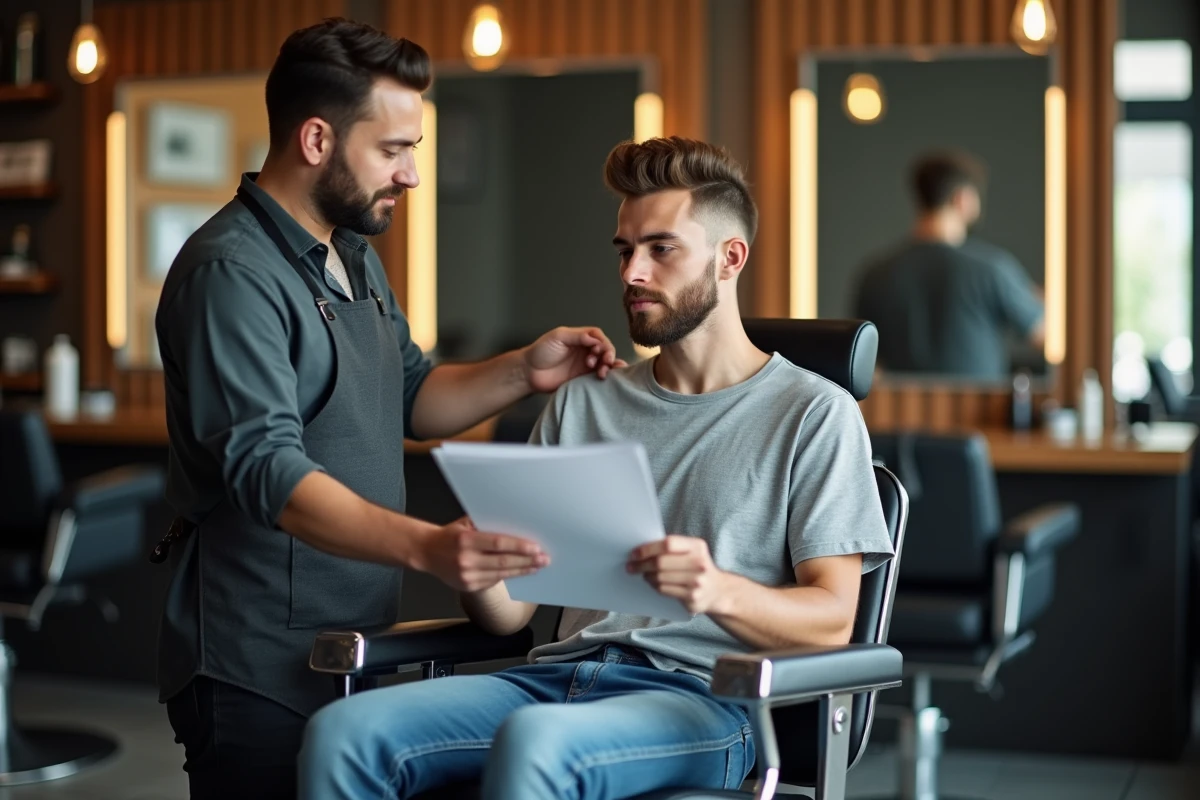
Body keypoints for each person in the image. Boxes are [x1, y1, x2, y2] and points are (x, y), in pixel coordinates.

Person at [298, 136, 895, 800]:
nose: (632, 272)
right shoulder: (585, 401)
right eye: (625, 250)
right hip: (555, 677)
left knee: (536, 742)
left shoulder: (815, 414)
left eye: (660, 249)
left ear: (730, 259)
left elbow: (833, 620)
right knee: (344, 732)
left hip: (701, 701)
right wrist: (482, 565)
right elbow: (511, 619)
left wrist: (716, 590)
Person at [153, 19, 623, 800]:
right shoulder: (229, 274)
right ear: (315, 140)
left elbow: (412, 395)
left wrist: (522, 370)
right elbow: (269, 473)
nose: (410, 175)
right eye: (393, 149)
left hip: (350, 644)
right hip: (253, 663)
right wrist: (431, 548)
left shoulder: (353, 255)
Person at [853, 150, 1044, 380]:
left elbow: (865, 358)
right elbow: (1042, 334)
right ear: (962, 198)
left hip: (901, 411)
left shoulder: (876, 273)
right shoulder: (992, 269)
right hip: (979, 411)